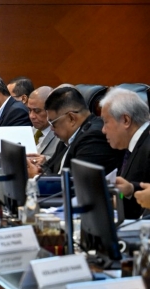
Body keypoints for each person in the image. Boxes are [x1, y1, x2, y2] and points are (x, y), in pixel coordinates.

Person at [27, 86, 123, 177]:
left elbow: (75, 183)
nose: (51, 128)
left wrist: (37, 176)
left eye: (53, 123)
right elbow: (48, 166)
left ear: (71, 118)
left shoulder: (94, 138)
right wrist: (37, 169)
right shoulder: (68, 136)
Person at [100, 87, 150, 219]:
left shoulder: (148, 145)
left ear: (126, 120)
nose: (103, 130)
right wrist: (129, 191)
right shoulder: (133, 144)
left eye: (106, 122)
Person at [27, 86, 59, 158]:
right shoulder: (31, 131)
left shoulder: (61, 136)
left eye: (37, 111)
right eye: (29, 110)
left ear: (50, 110)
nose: (31, 116)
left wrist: (45, 161)